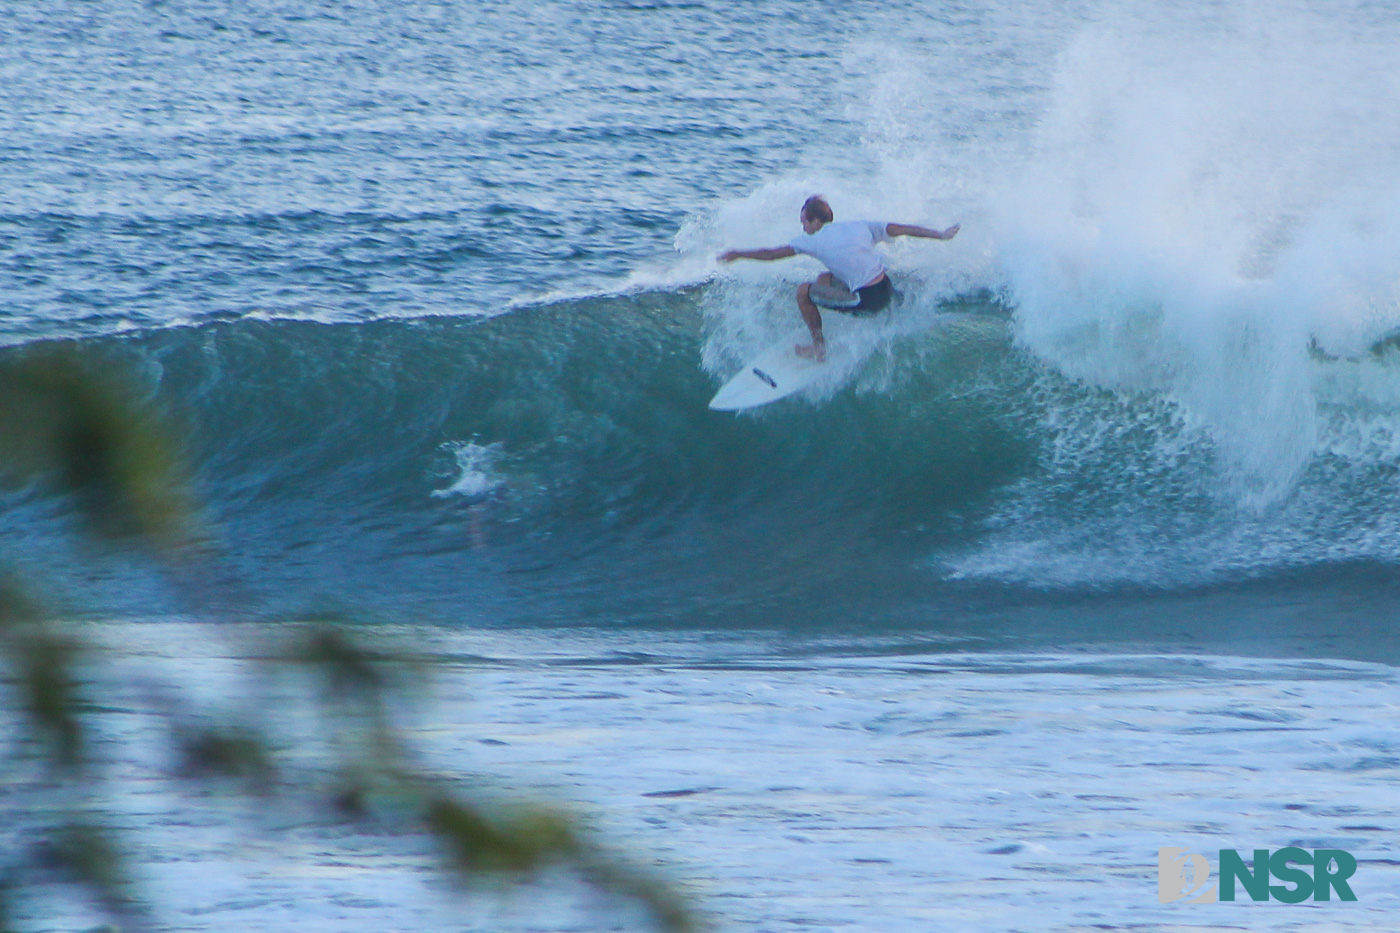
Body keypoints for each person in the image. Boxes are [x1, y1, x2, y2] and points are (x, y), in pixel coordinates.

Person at [718, 195, 959, 360]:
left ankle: (818, 348)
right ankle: (894, 304)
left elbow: (771, 255)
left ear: (815, 221)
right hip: (886, 287)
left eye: (804, 222)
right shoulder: (859, 225)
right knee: (825, 276)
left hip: (868, 301)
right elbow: (903, 228)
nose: (803, 228)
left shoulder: (813, 239)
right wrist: (940, 234)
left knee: (804, 291)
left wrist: (738, 254)